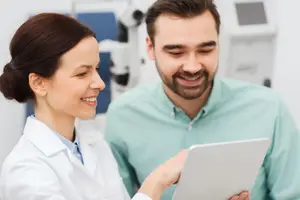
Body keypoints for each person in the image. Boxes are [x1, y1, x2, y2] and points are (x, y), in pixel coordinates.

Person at [104, 0, 300, 200]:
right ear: (150, 48)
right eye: (176, 52)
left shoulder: (268, 109)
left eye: (205, 50)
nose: (192, 66)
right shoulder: (123, 116)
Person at [0, 13, 190, 200]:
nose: (100, 83)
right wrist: (156, 182)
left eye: (96, 69)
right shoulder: (25, 171)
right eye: (82, 73)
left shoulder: (95, 144)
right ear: (39, 83)